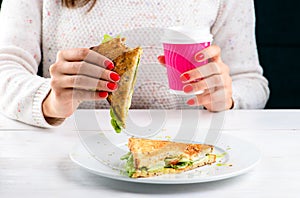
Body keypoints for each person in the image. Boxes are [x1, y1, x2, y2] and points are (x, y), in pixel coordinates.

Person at [0, 0, 269, 128]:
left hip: (191, 153)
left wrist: (228, 97)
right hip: (66, 155)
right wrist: (51, 102)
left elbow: (253, 84)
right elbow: (5, 68)